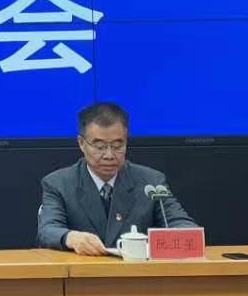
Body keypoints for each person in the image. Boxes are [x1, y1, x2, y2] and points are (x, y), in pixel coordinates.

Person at [37, 102, 197, 256]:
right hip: (83, 271)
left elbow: (183, 225)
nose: (109, 155)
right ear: (81, 143)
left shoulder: (151, 182)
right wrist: (71, 238)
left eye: (117, 146)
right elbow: (47, 230)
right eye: (100, 147)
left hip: (137, 271)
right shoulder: (58, 183)